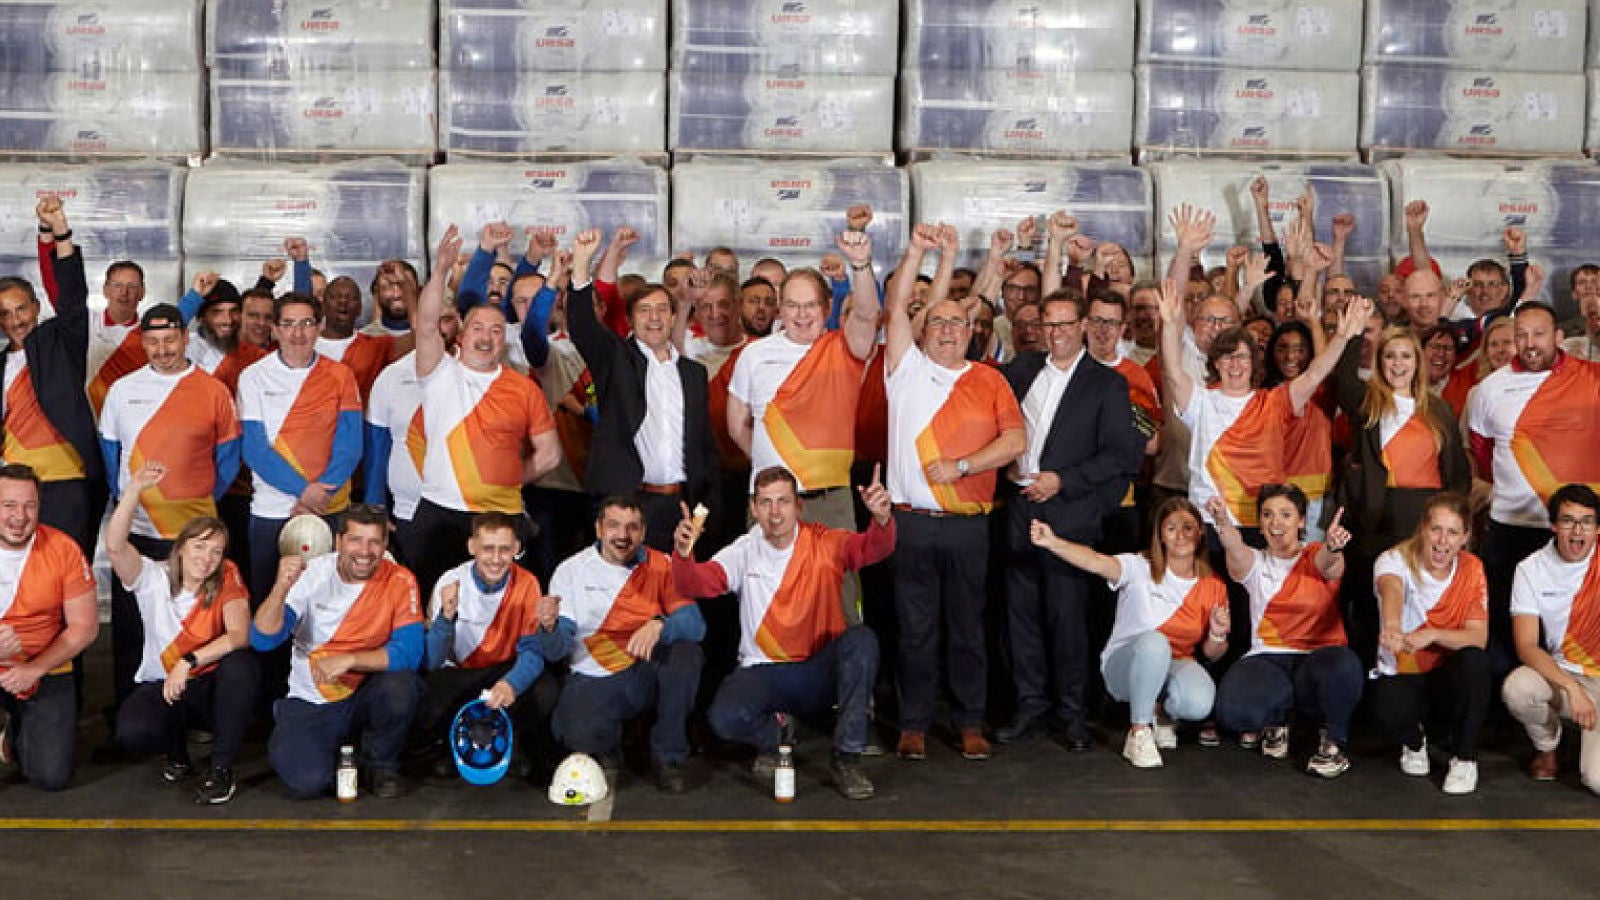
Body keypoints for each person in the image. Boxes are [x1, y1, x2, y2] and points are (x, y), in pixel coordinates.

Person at [882, 226, 1025, 762]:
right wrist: (920, 251)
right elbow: (897, 305)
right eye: (936, 322)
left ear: (972, 331)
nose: (946, 330)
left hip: (969, 525)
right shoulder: (905, 369)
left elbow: (1015, 441)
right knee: (914, 629)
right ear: (922, 330)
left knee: (968, 627)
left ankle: (969, 721)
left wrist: (964, 466)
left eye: (956, 323)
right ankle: (913, 723)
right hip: (911, 522)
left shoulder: (991, 380)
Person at [672, 466, 894, 800]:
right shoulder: (743, 550)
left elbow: (872, 549)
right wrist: (683, 554)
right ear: (753, 508)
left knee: (862, 640)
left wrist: (881, 519)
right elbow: (697, 583)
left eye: (783, 502)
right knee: (723, 719)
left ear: (798, 507)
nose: (775, 512)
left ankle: (847, 758)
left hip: (816, 672)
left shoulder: (826, 541)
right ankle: (777, 737)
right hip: (764, 673)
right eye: (766, 503)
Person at [998, 290, 1143, 749]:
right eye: (1049, 324)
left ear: (1082, 326)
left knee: (1068, 621)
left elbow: (1120, 455)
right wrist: (1001, 466)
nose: (1056, 334)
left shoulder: (1107, 384)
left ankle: (1072, 715)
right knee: (1020, 617)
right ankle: (1030, 706)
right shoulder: (1020, 370)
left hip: (1071, 515)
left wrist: (1062, 481)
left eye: (1064, 324)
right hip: (1019, 509)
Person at [726, 230, 880, 621]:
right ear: (780, 309)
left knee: (840, 602)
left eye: (810, 305)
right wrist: (774, 465)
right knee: (771, 604)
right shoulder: (753, 356)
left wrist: (860, 265)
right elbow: (737, 425)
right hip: (770, 501)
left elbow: (866, 314)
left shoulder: (845, 348)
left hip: (831, 501)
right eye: (792, 305)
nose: (801, 314)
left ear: (827, 308)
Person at [98, 303, 241, 714]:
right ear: (143, 343)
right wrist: (130, 499)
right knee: (132, 629)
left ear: (185, 338)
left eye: (170, 340)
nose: (162, 350)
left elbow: (229, 455)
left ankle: (196, 717)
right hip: (140, 532)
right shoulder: (122, 390)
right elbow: (110, 454)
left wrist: (198, 497)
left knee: (199, 627)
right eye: (153, 342)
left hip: (195, 538)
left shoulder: (213, 390)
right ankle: (129, 714)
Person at [411, 225, 561, 598]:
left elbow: (550, 454)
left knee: (504, 608)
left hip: (502, 518)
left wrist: (510, 478)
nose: (486, 337)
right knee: (432, 605)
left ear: (504, 340)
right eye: (477, 328)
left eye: (495, 331)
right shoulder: (439, 371)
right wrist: (440, 270)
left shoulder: (523, 388)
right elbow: (426, 324)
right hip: (440, 513)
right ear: (461, 335)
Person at [1029, 498, 1230, 769]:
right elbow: (1094, 561)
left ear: (1200, 532)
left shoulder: (1213, 584)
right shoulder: (1138, 567)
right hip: (1125, 666)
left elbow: (1212, 654)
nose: (1180, 536)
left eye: (1187, 527)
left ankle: (1161, 712)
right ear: (1160, 535)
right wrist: (1053, 542)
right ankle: (1139, 731)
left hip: (1176, 663)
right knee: (1155, 643)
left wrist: (1217, 634)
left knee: (1198, 704)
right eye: (1171, 528)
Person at [105, 463, 258, 803]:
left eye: (216, 551)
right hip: (164, 685)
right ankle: (177, 757)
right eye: (200, 547)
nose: (208, 558)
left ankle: (220, 769)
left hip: (208, 685)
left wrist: (188, 662)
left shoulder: (226, 575)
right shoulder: (151, 578)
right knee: (132, 731)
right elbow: (115, 546)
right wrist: (133, 491)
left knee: (241, 667)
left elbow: (240, 634)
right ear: (181, 548)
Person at [250, 504, 423, 799]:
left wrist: (350, 660)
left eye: (374, 542)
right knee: (307, 781)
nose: (365, 551)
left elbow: (410, 652)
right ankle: (311, 736)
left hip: (364, 694)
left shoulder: (400, 579)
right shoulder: (312, 574)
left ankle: (380, 764)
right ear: (338, 541)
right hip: (312, 699)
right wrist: (280, 588)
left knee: (402, 686)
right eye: (355, 540)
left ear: (385, 545)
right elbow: (263, 640)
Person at [1467, 302, 1600, 675]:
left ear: (1558, 337)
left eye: (1538, 334)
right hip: (1510, 529)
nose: (1529, 343)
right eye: (1521, 335)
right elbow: (1483, 454)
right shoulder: (1489, 390)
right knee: (1505, 629)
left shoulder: (1592, 379)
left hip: (1576, 530)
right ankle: (1509, 701)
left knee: (1573, 628)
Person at [567, 230, 717, 551]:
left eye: (662, 309)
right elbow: (583, 327)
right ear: (631, 320)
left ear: (674, 317)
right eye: (644, 310)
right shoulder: (617, 360)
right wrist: (581, 265)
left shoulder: (694, 374)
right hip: (625, 504)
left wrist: (702, 511)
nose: (654, 318)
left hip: (680, 507)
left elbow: (703, 447)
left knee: (674, 582)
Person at [1333, 326, 1471, 666]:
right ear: (1379, 362)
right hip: (1375, 521)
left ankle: (1421, 674)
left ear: (1418, 362)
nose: (1398, 364)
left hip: (1425, 520)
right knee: (1371, 605)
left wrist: (1453, 522)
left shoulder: (1438, 410)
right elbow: (1343, 381)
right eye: (1390, 356)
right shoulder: (1369, 403)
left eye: (1406, 356)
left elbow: (1456, 473)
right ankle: (1370, 677)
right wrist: (1353, 331)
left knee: (1421, 602)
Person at [547, 496, 705, 793]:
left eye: (632, 527)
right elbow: (557, 649)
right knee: (572, 734)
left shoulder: (663, 565)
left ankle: (669, 756)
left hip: (645, 673)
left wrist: (661, 625)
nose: (623, 535)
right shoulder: (570, 571)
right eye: (614, 526)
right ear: (598, 529)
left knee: (686, 653)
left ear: (643, 532)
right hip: (593, 675)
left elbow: (696, 625)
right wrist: (547, 629)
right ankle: (611, 747)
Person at [1209, 486, 1364, 778]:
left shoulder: (1315, 553)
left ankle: (1333, 743)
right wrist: (1222, 522)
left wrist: (1333, 547)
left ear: (1301, 521)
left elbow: (1329, 564)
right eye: (1267, 515)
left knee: (1344, 666)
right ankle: (1278, 718)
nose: (1275, 523)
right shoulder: (1255, 562)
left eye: (1285, 514)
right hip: (1269, 658)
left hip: (1319, 659)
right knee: (1234, 711)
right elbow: (1235, 548)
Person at [236, 292, 364, 602]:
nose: (298, 333)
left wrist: (321, 494)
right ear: (275, 329)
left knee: (329, 603)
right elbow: (255, 450)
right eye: (289, 324)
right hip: (272, 510)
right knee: (270, 602)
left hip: (329, 508)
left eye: (306, 323)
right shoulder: (252, 377)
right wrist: (304, 492)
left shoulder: (341, 375)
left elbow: (350, 445)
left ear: (319, 327)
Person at [0, 196, 105, 559]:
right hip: (14, 488)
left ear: (37, 307)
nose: (15, 320)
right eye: (5, 314)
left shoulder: (60, 343)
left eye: (21, 309)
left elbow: (71, 295)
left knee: (67, 575)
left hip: (66, 484)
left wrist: (56, 229)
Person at [420, 511, 559, 781]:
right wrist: (445, 618)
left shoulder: (527, 583)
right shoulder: (450, 581)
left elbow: (533, 650)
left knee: (545, 688)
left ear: (516, 548)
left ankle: (509, 739)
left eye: (504, 549)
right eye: (488, 549)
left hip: (503, 673)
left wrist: (511, 684)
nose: (496, 559)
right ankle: (452, 744)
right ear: (472, 546)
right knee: (429, 694)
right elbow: (432, 661)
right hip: (460, 675)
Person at [1368, 492, 1490, 795]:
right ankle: (1414, 743)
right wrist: (1393, 626)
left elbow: (1478, 637)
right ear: (1423, 528)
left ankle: (1465, 759)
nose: (1442, 541)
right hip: (1404, 674)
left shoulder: (1472, 568)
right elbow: (1391, 588)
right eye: (1436, 529)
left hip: (1444, 677)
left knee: (1475, 661)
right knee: (1386, 703)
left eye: (1453, 532)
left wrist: (1432, 634)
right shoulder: (1393, 559)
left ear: (1465, 537)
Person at [0, 463, 98, 790]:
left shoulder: (63, 548)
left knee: (51, 776)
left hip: (44, 666)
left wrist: (35, 668)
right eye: (9, 505)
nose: (19, 517)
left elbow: (85, 627)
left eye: (29, 506)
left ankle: (16, 731)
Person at [1503, 484, 1600, 792]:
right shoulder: (1531, 569)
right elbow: (1527, 646)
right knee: (1518, 688)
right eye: (1568, 521)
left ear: (1597, 529)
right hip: (1566, 674)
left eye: (1586, 522)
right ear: (1554, 526)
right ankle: (1548, 747)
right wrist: (1572, 688)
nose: (1577, 531)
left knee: (1596, 779)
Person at [85, 259, 147, 417]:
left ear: (142, 293)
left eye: (132, 286)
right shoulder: (86, 323)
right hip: (87, 421)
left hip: (132, 421)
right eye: (117, 285)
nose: (124, 292)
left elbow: (176, 322)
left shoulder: (151, 335)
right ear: (105, 290)